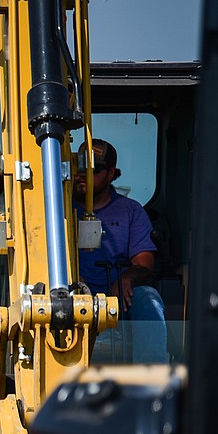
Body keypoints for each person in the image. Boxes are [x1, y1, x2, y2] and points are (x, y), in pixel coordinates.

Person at [74, 138, 169, 363]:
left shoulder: (130, 211)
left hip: (119, 300)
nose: (82, 175)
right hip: (72, 297)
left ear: (110, 173)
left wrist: (127, 278)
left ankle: (150, 385)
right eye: (80, 168)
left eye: (93, 170)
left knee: (149, 298)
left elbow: (144, 261)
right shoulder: (60, 209)